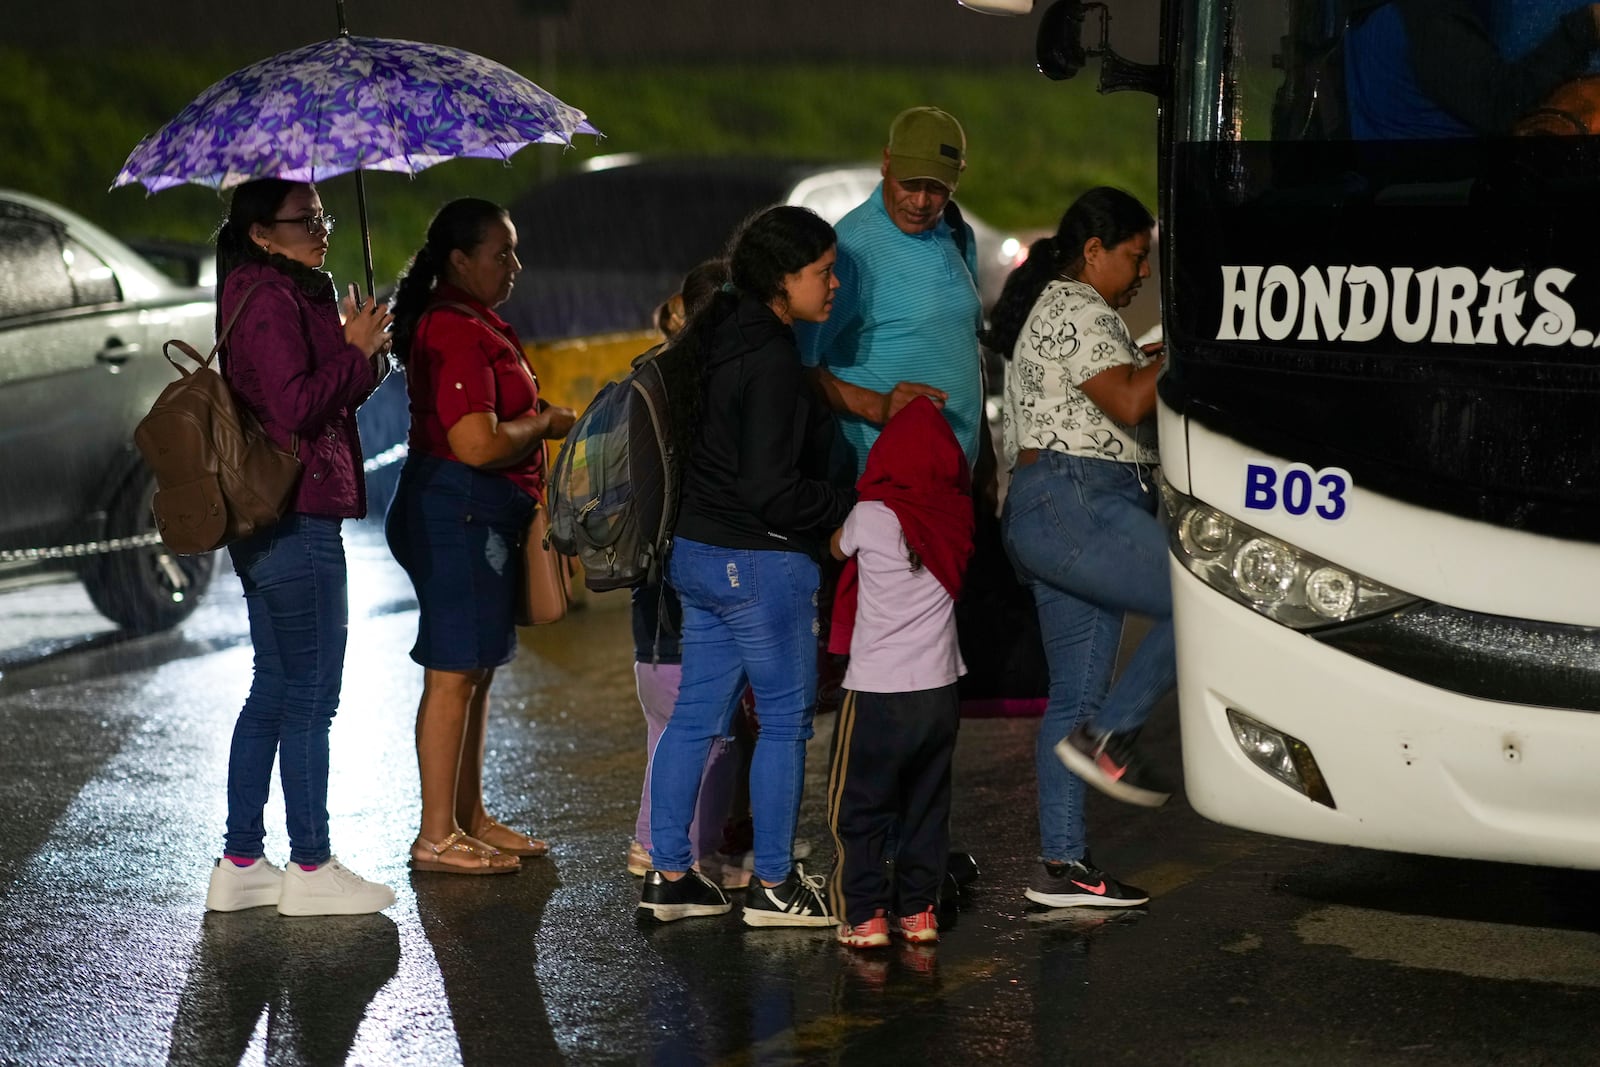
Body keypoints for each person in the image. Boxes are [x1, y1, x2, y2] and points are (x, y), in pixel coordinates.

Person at [637, 206, 855, 926]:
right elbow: (772, 489)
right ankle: (774, 884)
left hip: (697, 556)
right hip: (759, 565)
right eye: (822, 272)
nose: (833, 284)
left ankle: (669, 874)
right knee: (788, 722)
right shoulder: (770, 358)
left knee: (695, 717)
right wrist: (839, 501)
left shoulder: (715, 336)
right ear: (781, 278)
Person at [202, 179, 396, 916]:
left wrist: (363, 352)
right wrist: (350, 352)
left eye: (323, 216)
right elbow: (293, 409)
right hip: (295, 517)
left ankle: (243, 860)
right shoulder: (269, 299)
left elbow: (321, 398)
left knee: (277, 687)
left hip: (277, 516)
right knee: (312, 693)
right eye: (304, 219)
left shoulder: (277, 291)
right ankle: (310, 866)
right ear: (260, 232)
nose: (321, 229)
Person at [988, 187, 1169, 911]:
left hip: (1051, 511)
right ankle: (1113, 735)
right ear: (1093, 252)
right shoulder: (1074, 307)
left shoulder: (1070, 312)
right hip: (1077, 503)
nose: (1142, 274)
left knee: (1073, 697)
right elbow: (1127, 401)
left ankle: (1064, 867)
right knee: (1203, 597)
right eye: (1134, 258)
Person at [386, 198, 577, 875]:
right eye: (502, 253)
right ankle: (436, 835)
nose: (515, 265)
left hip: (475, 514)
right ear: (460, 261)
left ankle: (469, 817)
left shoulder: (472, 321)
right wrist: (543, 424)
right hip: (457, 513)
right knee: (453, 672)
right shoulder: (455, 330)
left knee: (476, 670)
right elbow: (475, 441)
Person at [825, 397, 975, 949]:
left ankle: (864, 915)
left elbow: (837, 550)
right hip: (939, 692)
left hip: (877, 691)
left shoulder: (870, 514)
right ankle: (919, 912)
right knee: (927, 805)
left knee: (858, 804)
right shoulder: (957, 514)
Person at [628, 258, 748, 887]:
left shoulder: (652, 376)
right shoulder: (699, 385)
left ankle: (656, 843)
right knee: (702, 727)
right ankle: (679, 855)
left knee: (668, 722)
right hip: (689, 581)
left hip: (650, 589)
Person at [798, 106, 987, 486]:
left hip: (952, 487)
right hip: (885, 491)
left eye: (936, 189)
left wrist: (986, 468)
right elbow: (798, 367)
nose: (920, 202)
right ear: (886, 163)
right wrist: (878, 406)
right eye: (910, 183)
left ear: (957, 179)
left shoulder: (956, 231)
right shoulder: (849, 250)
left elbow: (966, 346)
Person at [1344, 0, 1600, 138]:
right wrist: (1585, 27)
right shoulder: (1427, 23)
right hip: (1449, 188)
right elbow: (1501, 103)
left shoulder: (1378, 13)